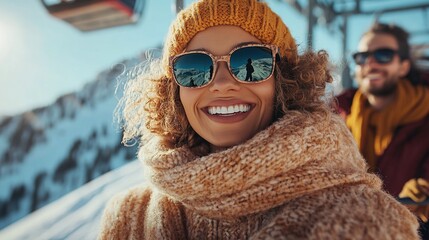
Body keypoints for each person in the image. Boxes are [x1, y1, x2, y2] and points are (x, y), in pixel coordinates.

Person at [98, 1, 419, 239]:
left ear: (286, 79)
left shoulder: (357, 216)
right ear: (174, 90)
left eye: (250, 61)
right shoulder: (128, 218)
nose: (221, 83)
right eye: (193, 67)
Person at [336, 22, 429, 237]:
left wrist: (421, 191)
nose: (371, 63)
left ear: (403, 66)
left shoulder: (425, 117)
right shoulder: (338, 115)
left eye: (384, 55)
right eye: (362, 57)